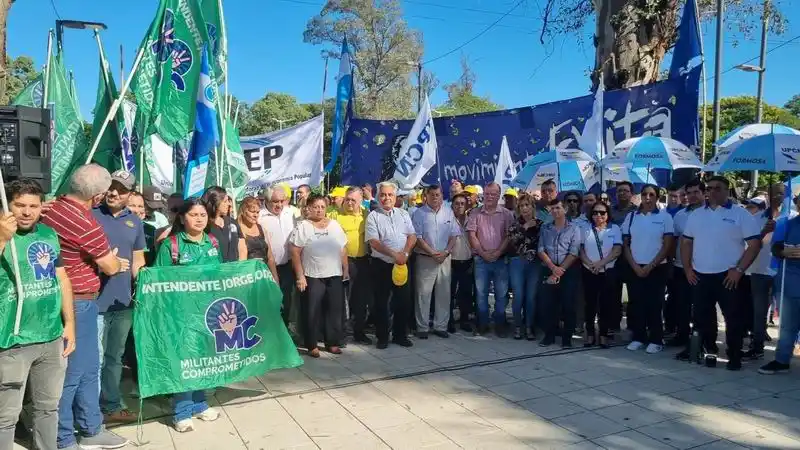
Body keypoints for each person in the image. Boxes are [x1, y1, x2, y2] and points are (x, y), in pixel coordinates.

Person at [41, 164, 129, 449]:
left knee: (89, 368)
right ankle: (64, 436)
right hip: (77, 302)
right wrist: (117, 262)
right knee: (74, 372)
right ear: (98, 196)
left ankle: (91, 427)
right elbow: (109, 264)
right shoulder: (85, 222)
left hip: (68, 301)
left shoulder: (51, 208)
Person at [0, 179, 75, 450]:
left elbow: (62, 279)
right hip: (11, 340)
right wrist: (1, 239)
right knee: (5, 417)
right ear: (7, 205)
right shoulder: (1, 233)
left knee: (48, 408)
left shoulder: (48, 234)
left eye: (33, 205)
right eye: (19, 205)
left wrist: (69, 324)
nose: (26, 212)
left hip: (51, 337)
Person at [679, 176, 761, 370]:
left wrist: (739, 270)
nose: (712, 192)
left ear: (727, 190)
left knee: (733, 319)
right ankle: (708, 351)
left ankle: (734, 356)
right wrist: (688, 268)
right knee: (702, 318)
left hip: (728, 276)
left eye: (718, 188)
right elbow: (686, 242)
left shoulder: (741, 215)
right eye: (709, 188)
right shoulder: (697, 215)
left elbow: (754, 244)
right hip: (700, 274)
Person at [153, 198, 222, 431]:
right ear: (182, 218)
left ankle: (199, 404)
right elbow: (159, 282)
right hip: (180, 315)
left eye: (203, 214)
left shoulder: (212, 242)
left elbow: (220, 275)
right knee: (185, 361)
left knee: (204, 359)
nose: (199, 219)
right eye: (194, 215)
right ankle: (181, 411)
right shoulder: (171, 245)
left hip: (208, 312)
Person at [93, 171, 146, 425]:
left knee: (114, 357)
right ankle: (89, 411)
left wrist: (147, 282)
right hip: (93, 302)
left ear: (129, 195)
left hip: (123, 303)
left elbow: (138, 261)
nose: (114, 192)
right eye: (110, 187)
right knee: (94, 359)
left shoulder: (135, 222)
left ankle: (111, 404)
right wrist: (104, 264)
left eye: (121, 189)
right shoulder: (90, 215)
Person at [289, 194, 348, 357]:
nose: (319, 210)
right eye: (316, 207)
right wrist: (300, 276)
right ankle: (312, 345)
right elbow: (295, 251)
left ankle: (333, 342)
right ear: (309, 208)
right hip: (312, 275)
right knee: (312, 311)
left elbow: (343, 248)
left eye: (322, 207)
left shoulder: (335, 225)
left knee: (334, 310)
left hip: (334, 274)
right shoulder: (303, 226)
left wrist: (346, 269)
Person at [621, 184, 674, 354]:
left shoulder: (665, 218)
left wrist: (651, 266)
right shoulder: (631, 217)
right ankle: (638, 337)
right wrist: (635, 266)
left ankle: (656, 339)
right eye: (644, 194)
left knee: (654, 303)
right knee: (636, 303)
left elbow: (667, 245)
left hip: (657, 268)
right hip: (635, 267)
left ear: (657, 197)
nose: (648, 198)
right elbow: (626, 245)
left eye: (652, 194)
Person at [365, 181, 417, 349]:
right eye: (383, 195)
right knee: (381, 303)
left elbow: (412, 236)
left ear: (395, 197)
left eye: (390, 195)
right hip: (382, 265)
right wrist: (395, 254)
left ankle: (400, 335)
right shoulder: (373, 216)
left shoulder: (403, 214)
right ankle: (382, 337)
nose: (386, 198)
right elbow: (374, 242)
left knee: (403, 301)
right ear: (378, 196)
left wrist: (405, 254)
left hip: (402, 264)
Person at [412, 185, 460, 339]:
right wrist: (432, 252)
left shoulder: (448, 212)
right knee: (423, 294)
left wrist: (445, 252)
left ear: (441, 195)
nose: (435, 197)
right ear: (426, 196)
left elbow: (454, 235)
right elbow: (417, 237)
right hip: (426, 258)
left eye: (438, 195)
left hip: (444, 258)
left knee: (444, 294)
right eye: (432, 195)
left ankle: (440, 326)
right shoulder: (419, 213)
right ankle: (422, 327)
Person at [759, 195, 800, 375]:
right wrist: (784, 251)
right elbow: (775, 247)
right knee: (787, 326)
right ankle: (782, 360)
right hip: (789, 282)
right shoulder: (789, 223)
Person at [466, 182, 514, 336]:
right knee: (481, 294)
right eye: (487, 194)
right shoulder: (475, 213)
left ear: (499, 196)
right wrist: (482, 252)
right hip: (481, 259)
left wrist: (499, 251)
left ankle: (500, 323)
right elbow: (472, 235)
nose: (489, 197)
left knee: (501, 294)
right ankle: (483, 324)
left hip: (500, 260)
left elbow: (509, 235)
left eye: (493, 194)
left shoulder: (507, 214)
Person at [746, 184, 787, 360]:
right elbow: (750, 244)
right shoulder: (756, 219)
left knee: (787, 313)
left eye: (781, 194)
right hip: (760, 270)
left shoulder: (791, 219)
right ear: (768, 196)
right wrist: (764, 232)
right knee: (759, 311)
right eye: (774, 194)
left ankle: (785, 349)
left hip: (784, 272)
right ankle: (757, 346)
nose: (778, 197)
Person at [537, 198, 581, 347]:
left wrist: (560, 270)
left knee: (568, 304)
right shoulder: (545, 228)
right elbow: (541, 249)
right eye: (553, 208)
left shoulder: (574, 228)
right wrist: (552, 268)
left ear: (565, 210)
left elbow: (574, 252)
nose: (555, 211)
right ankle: (549, 335)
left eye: (558, 208)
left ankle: (567, 338)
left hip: (567, 270)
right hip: (549, 268)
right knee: (549, 304)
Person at [332, 187, 373, 344]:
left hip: (362, 262)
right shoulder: (335, 215)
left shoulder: (366, 215)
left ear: (360, 201)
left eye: (353, 200)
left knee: (361, 300)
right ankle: (341, 334)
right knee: (342, 300)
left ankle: (359, 332)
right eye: (347, 199)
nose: (349, 202)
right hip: (342, 262)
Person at [667, 179, 705, 347]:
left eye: (696, 192)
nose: (692, 196)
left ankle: (701, 340)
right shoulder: (680, 215)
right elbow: (674, 240)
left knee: (702, 307)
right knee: (681, 304)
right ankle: (682, 335)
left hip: (703, 268)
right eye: (688, 193)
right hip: (681, 267)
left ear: (704, 193)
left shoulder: (710, 213)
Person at [580, 201, 622, 348]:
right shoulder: (585, 229)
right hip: (589, 271)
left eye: (602, 213)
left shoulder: (614, 229)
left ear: (607, 214)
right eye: (595, 212)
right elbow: (581, 250)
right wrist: (590, 264)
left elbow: (617, 250)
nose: (598, 215)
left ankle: (603, 334)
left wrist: (601, 263)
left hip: (607, 271)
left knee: (606, 305)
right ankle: (590, 334)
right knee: (589, 304)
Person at [507, 193, 543, 340]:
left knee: (531, 297)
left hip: (535, 263)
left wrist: (533, 226)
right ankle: (517, 326)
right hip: (517, 262)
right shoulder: (514, 224)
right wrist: (525, 227)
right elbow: (513, 242)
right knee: (518, 296)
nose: (524, 208)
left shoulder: (541, 224)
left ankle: (529, 327)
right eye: (521, 206)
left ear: (533, 207)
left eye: (527, 205)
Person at [259, 186, 297, 327]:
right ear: (267, 200)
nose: (279, 205)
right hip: (267, 267)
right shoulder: (259, 216)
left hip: (287, 265)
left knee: (286, 299)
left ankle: (285, 330)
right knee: (270, 300)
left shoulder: (290, 213)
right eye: (275, 201)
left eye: (282, 201)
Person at [609, 181, 638, 334]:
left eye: (625, 191)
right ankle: (614, 324)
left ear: (631, 194)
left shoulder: (637, 212)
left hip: (632, 257)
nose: (622, 193)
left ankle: (633, 326)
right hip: (613, 258)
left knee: (634, 294)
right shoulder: (610, 211)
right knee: (613, 293)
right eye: (619, 191)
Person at [237, 197, 280, 281]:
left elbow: (270, 257)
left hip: (264, 275)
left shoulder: (261, 228)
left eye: (257, 212)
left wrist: (275, 278)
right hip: (248, 277)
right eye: (252, 212)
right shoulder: (236, 229)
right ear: (243, 211)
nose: (255, 215)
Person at [449, 193, 474, 333]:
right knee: (450, 294)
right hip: (451, 261)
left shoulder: (471, 220)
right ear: (452, 205)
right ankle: (449, 321)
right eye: (457, 203)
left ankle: (465, 320)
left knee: (465, 293)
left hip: (467, 261)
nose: (459, 206)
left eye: (462, 203)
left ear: (466, 205)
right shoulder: (447, 220)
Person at [202, 186, 245, 262]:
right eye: (225, 201)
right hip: (216, 271)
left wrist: (241, 267)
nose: (229, 204)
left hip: (236, 270)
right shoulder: (204, 226)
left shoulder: (232, 222)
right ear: (216, 203)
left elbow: (242, 248)